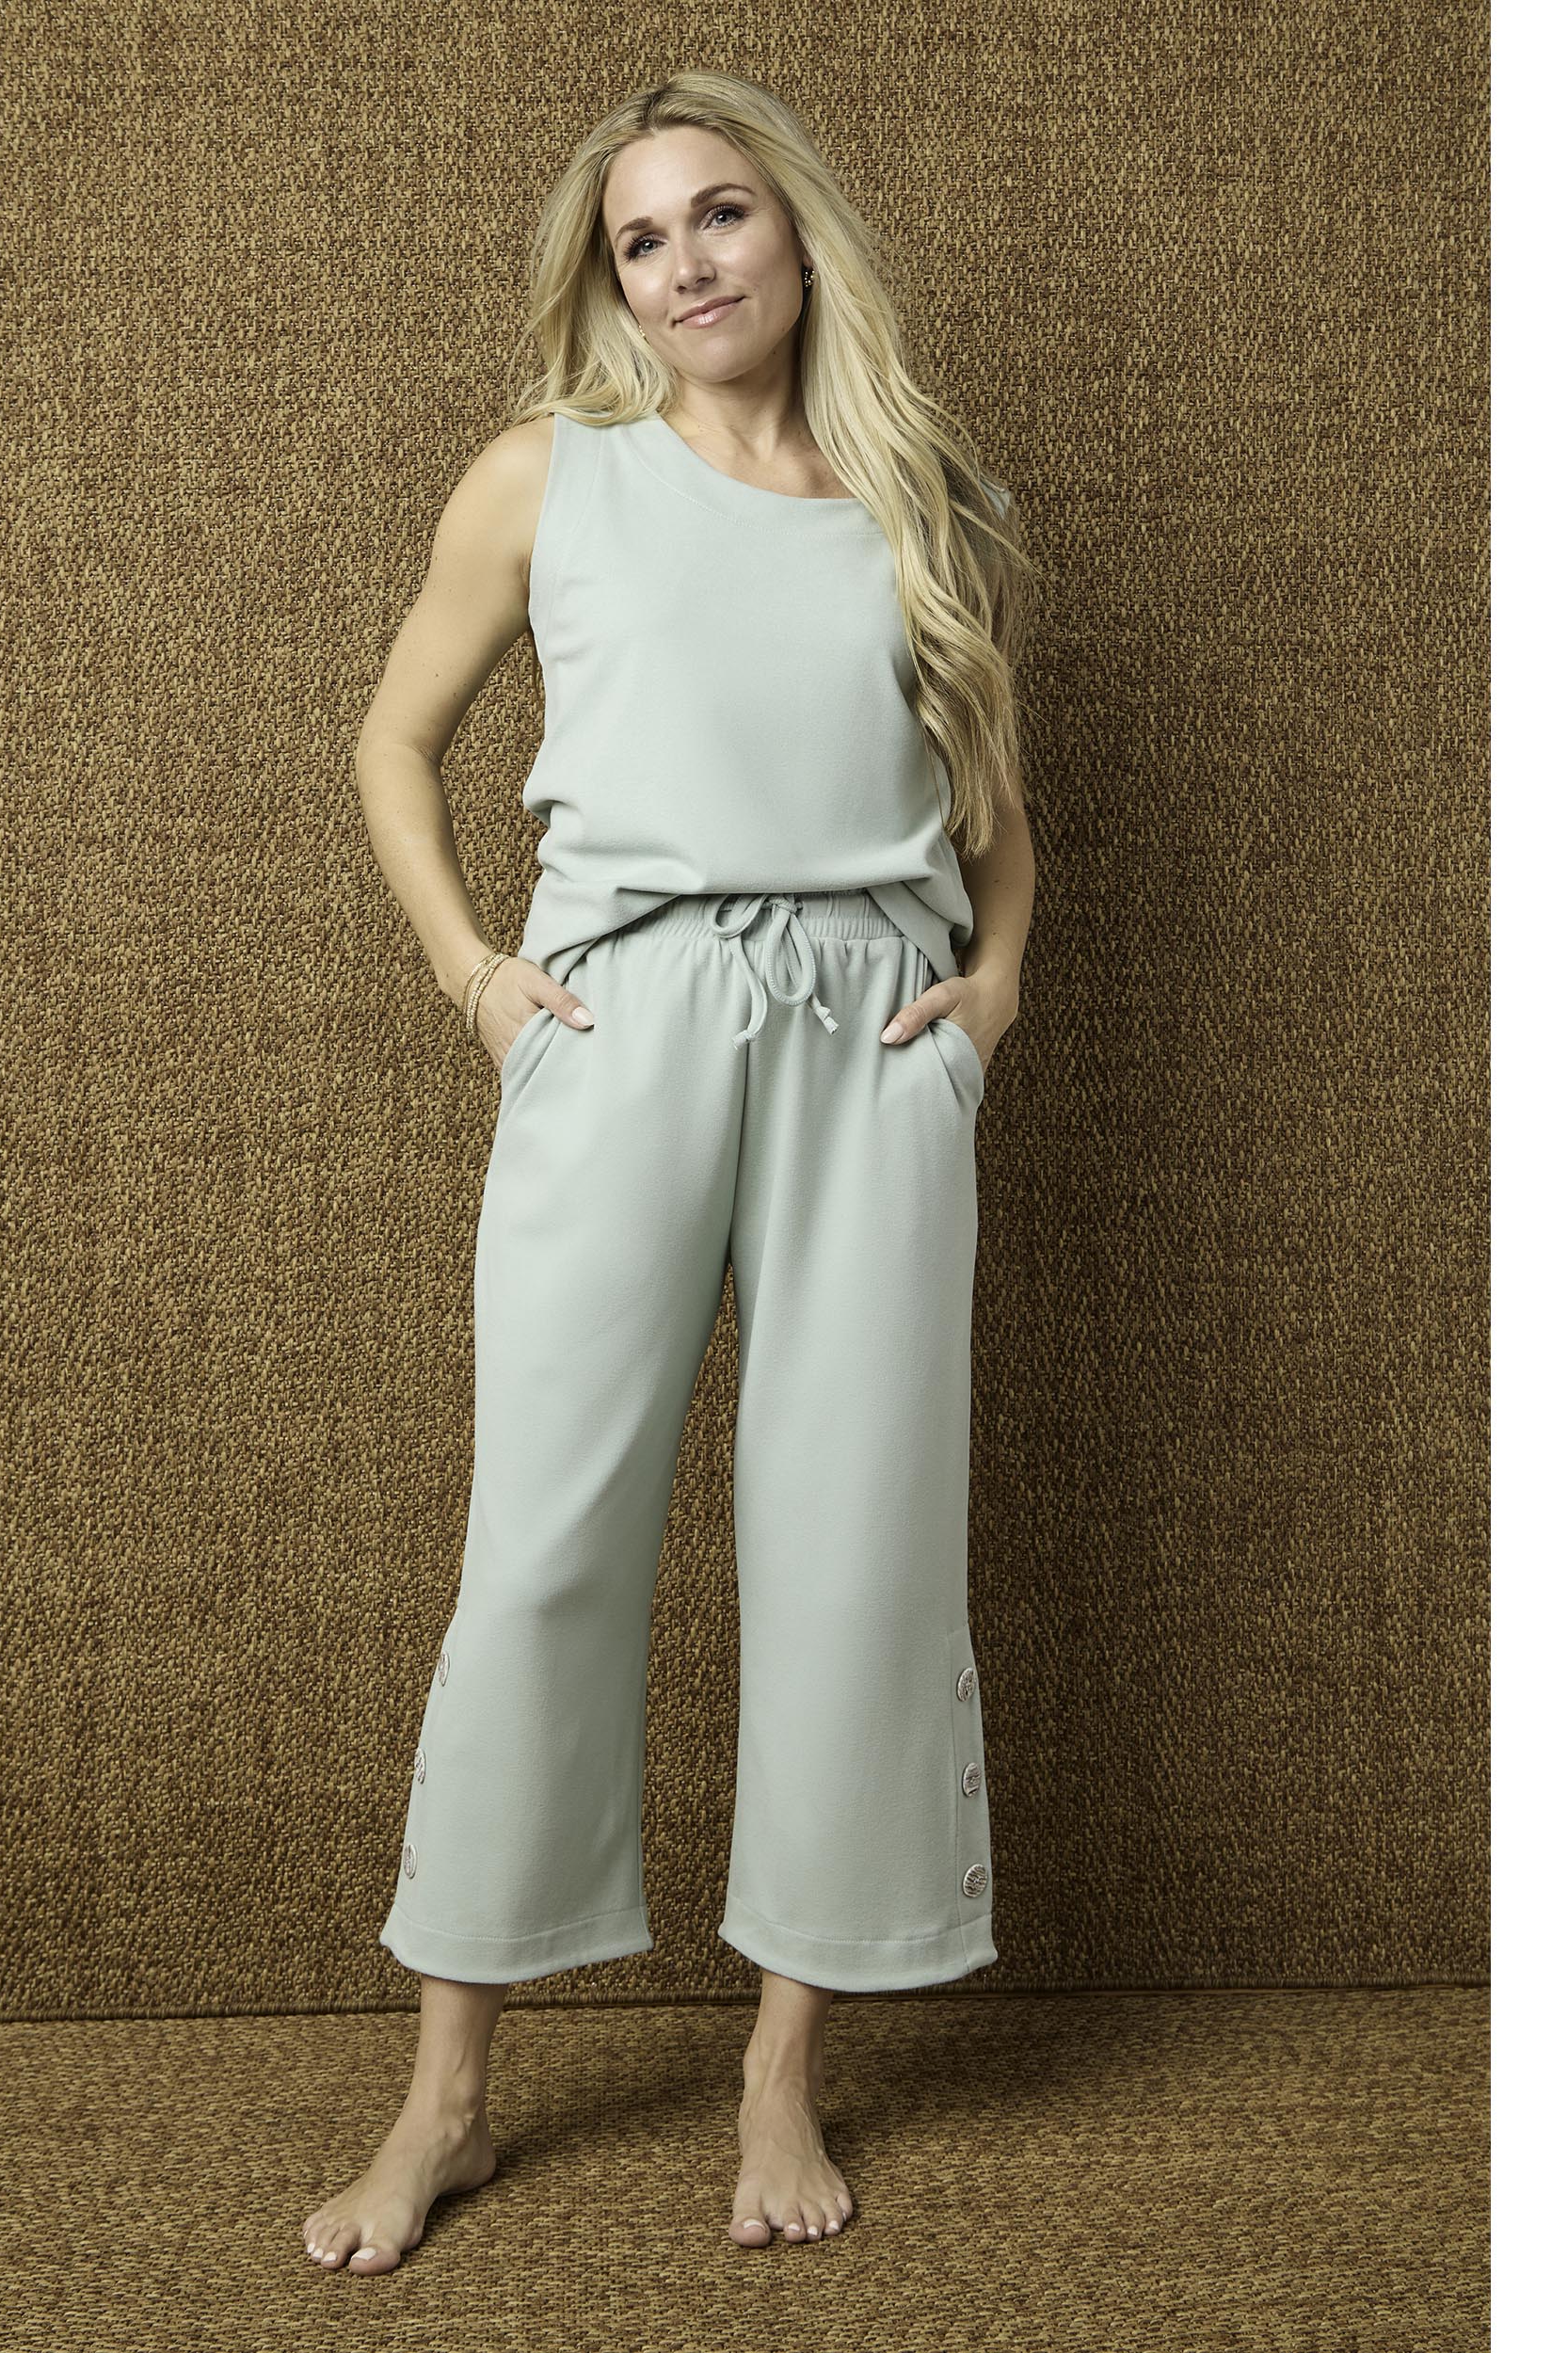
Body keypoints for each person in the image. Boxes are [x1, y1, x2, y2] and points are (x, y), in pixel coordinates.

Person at [311, 69, 1039, 2273]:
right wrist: (477, 978)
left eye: (719, 213)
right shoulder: (546, 476)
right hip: (619, 1026)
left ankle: (779, 2064)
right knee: (541, 1542)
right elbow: (392, 737)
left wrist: (986, 996)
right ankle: (445, 2094)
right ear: (608, 279)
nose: (687, 261)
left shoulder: (915, 496)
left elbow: (996, 818)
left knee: (853, 1550)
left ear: (793, 231)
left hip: (867, 1040)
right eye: (642, 237)